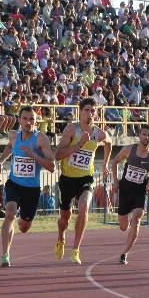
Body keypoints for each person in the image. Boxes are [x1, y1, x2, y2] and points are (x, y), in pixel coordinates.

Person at [55, 97, 112, 264]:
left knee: (84, 207)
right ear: (80, 112)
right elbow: (58, 155)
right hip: (67, 179)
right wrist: (80, 144)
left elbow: (109, 142)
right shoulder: (71, 129)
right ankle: (61, 237)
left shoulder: (99, 133)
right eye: (87, 110)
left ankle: (76, 249)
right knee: (64, 218)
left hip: (86, 178)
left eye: (93, 111)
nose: (90, 114)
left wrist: (105, 164)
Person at [0, 107, 55, 266]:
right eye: (25, 119)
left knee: (24, 227)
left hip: (32, 190)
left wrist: (34, 155)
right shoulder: (14, 136)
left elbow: (52, 166)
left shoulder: (40, 139)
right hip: (14, 184)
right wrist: (1, 161)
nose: (28, 122)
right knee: (10, 214)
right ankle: (5, 255)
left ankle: (25, 220)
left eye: (32, 119)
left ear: (36, 121)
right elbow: (9, 147)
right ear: (19, 120)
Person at [110, 125, 149, 264]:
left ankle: (124, 253)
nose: (147, 137)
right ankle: (127, 227)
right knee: (123, 227)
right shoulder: (129, 149)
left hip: (140, 191)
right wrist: (115, 181)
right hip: (126, 190)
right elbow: (114, 162)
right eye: (144, 134)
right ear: (139, 135)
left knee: (137, 218)